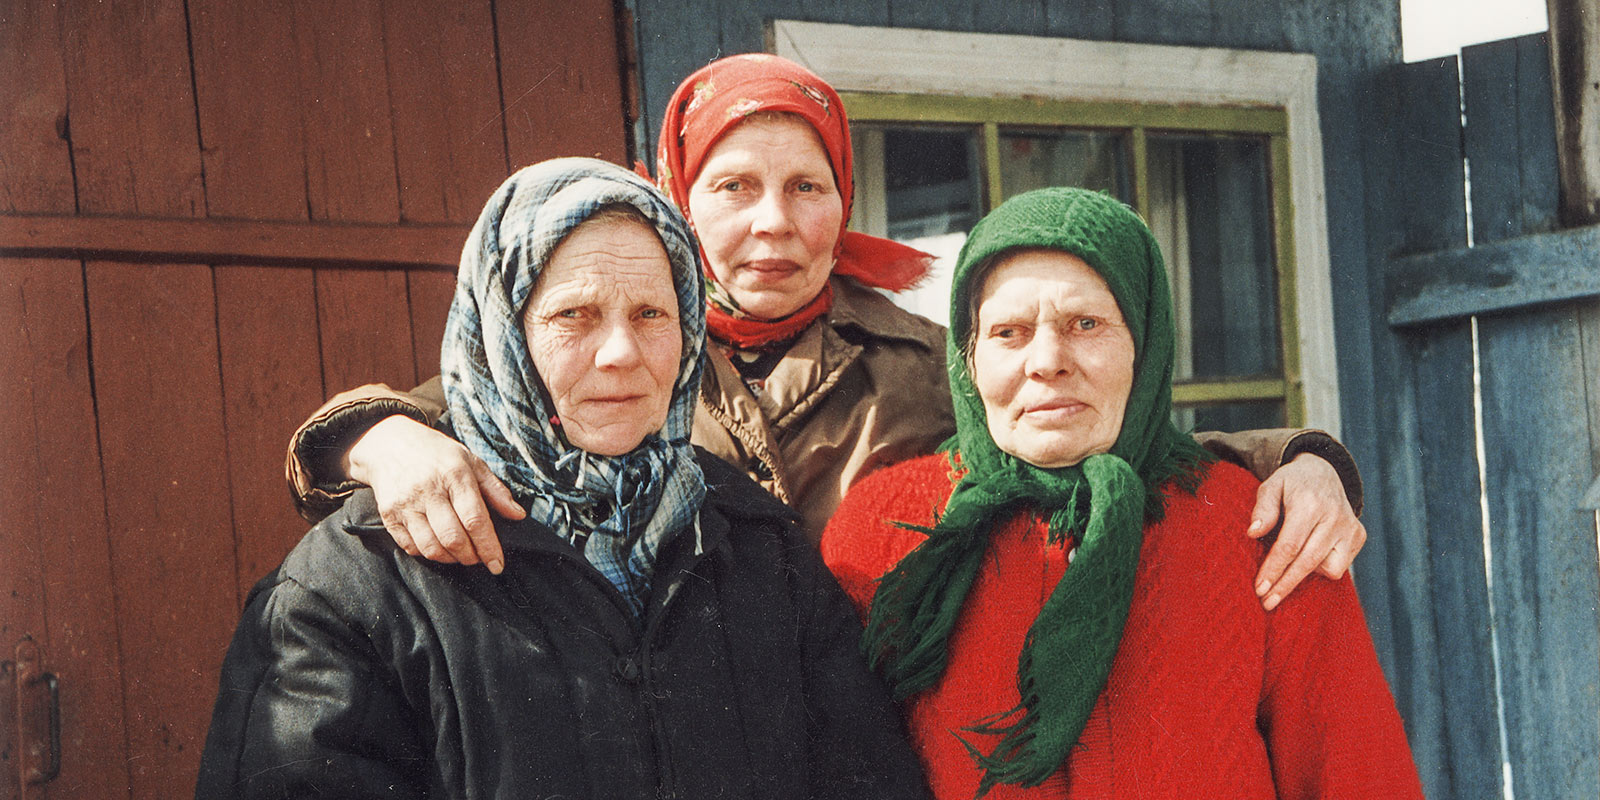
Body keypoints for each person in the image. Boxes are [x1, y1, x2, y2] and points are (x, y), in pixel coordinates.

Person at [284, 53, 1364, 611]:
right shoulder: (620, 345)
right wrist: (378, 440)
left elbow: (1096, 439)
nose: (774, 222)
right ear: (676, 197)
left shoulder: (916, 362)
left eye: (807, 185)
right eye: (735, 185)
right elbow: (445, 417)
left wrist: (1304, 459)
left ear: (842, 196)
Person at [196, 159, 931, 799]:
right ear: (504, 334)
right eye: (574, 314)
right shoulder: (352, 582)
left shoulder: (756, 544)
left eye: (652, 313)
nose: (620, 352)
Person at [822, 188, 1422, 799]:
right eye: (1009, 332)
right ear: (968, 359)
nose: (1047, 360)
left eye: (1086, 324)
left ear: (1145, 342)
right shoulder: (883, 525)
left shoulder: (1259, 523)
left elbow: (1358, 774)